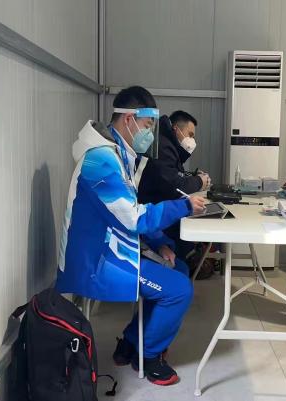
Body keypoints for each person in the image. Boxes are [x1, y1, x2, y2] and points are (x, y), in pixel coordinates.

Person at [55, 86, 206, 386]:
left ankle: (130, 342)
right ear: (129, 119)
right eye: (147, 126)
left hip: (113, 246)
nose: (149, 134)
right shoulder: (101, 160)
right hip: (96, 260)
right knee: (179, 289)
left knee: (178, 267)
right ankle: (148, 356)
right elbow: (135, 217)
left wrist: (160, 244)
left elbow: (128, 212)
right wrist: (185, 205)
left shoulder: (119, 154)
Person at [138, 110, 211, 269]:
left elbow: (173, 173)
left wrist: (193, 176)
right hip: (154, 214)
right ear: (176, 129)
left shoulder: (167, 144)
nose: (192, 140)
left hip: (157, 210)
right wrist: (199, 181)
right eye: (190, 135)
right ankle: (182, 262)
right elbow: (174, 186)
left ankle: (185, 260)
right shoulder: (163, 146)